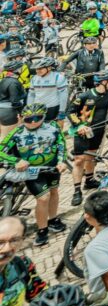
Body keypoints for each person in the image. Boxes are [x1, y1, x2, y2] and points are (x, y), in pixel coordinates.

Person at [0, 103, 67, 246]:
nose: (33, 122)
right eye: (28, 119)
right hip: (31, 171)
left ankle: (53, 219)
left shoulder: (54, 127)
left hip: (52, 167)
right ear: (22, 118)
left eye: (37, 118)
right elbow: (0, 151)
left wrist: (61, 161)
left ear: (44, 116)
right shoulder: (17, 132)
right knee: (43, 198)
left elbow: (61, 144)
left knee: (54, 191)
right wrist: (16, 160)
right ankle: (42, 230)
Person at [67, 69, 108, 206]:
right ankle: (77, 190)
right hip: (82, 131)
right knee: (79, 160)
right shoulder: (85, 96)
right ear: (103, 82)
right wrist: (79, 125)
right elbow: (70, 111)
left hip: (99, 129)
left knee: (92, 156)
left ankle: (89, 180)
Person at [0, 216, 47, 306]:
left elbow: (39, 295)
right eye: (0, 242)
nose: (7, 248)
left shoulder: (22, 264)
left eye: (14, 240)